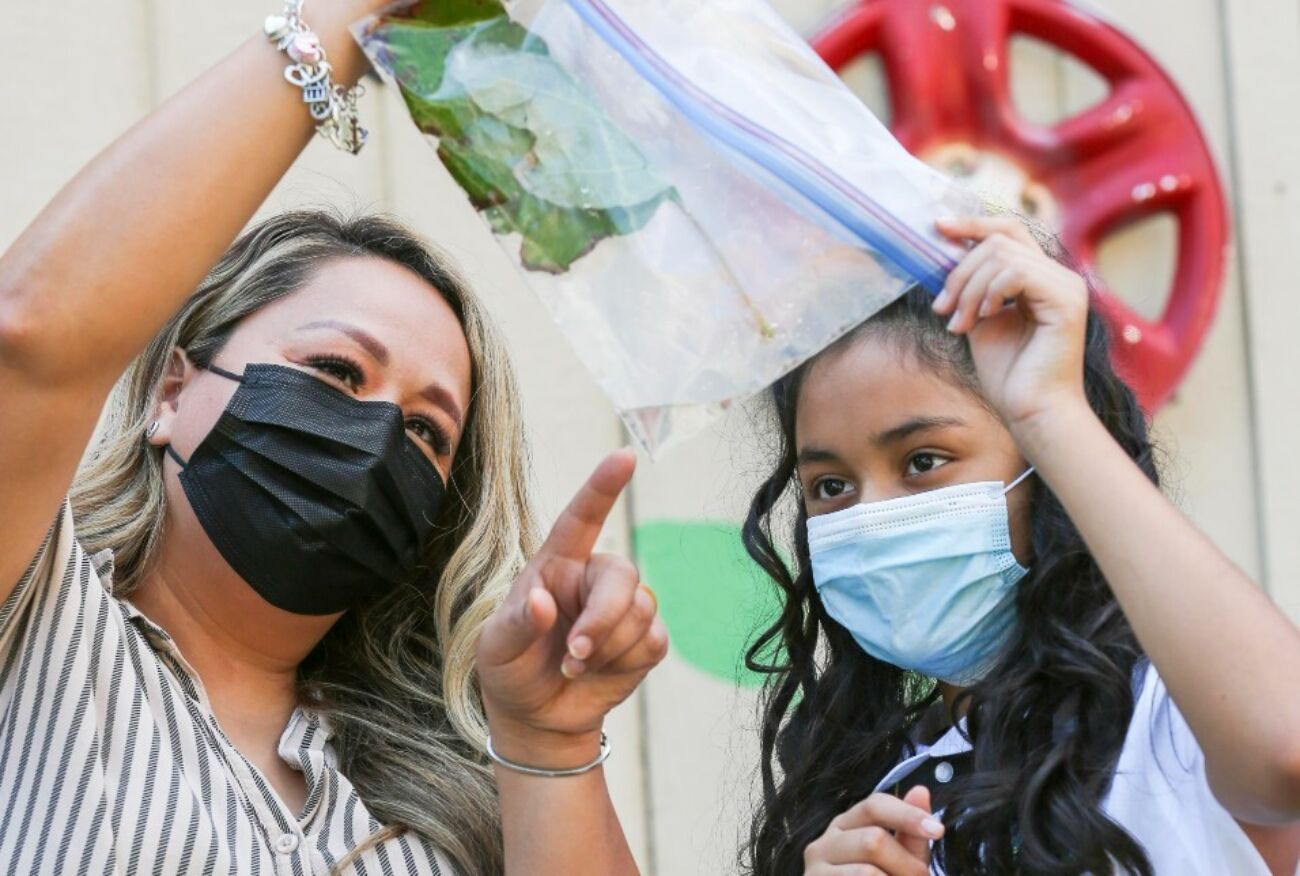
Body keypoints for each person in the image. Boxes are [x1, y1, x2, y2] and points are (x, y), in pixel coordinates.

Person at [0, 2, 666, 873]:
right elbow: (35, 333)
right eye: (337, 373)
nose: (376, 433)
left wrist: (549, 738)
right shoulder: (37, 620)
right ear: (172, 389)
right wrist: (347, 25)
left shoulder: (461, 799)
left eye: (427, 430)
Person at [741, 216, 1300, 875]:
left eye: (923, 461)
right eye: (830, 484)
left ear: (1046, 473)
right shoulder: (866, 802)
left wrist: (1049, 409)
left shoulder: (1174, 727)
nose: (873, 516)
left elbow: (1286, 753)